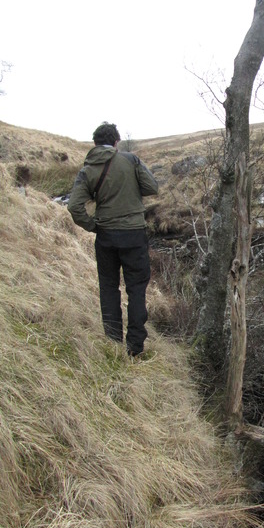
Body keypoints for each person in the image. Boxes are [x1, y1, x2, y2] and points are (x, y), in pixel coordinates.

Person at [68, 122, 159, 357]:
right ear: (116, 142)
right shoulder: (130, 160)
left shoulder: (87, 169)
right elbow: (152, 187)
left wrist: (93, 226)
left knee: (109, 288)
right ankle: (135, 348)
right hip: (134, 236)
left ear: (95, 143)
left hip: (106, 236)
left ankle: (113, 342)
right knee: (136, 289)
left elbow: (75, 207)